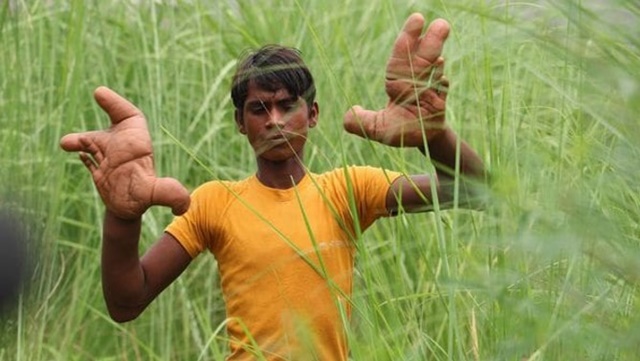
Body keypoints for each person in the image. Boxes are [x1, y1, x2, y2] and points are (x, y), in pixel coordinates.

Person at [60, 13, 485, 361]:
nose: (275, 120)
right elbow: (127, 301)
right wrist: (122, 216)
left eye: (288, 105)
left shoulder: (348, 190)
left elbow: (477, 192)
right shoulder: (215, 202)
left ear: (313, 114)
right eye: (259, 109)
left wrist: (436, 136)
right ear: (240, 123)